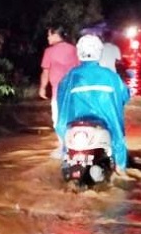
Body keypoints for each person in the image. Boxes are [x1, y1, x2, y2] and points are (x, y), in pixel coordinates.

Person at [56, 34, 131, 172]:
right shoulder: (110, 76)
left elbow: (60, 99)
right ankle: (120, 169)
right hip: (106, 126)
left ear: (79, 52)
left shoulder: (70, 76)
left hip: (75, 130)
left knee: (65, 152)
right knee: (118, 142)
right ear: (99, 52)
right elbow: (125, 95)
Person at [39, 25, 79, 156]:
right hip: (74, 92)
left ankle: (63, 147)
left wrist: (42, 88)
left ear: (56, 35)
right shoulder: (73, 49)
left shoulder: (49, 52)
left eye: (49, 34)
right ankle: (75, 146)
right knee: (72, 119)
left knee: (58, 119)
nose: (47, 37)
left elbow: (45, 72)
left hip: (58, 92)